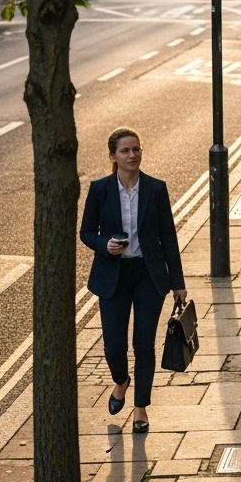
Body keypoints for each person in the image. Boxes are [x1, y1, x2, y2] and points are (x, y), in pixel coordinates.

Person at [80, 127, 186, 435]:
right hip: (113, 275)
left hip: (148, 276)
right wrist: (105, 246)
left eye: (136, 149)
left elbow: (168, 236)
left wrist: (177, 281)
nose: (132, 155)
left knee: (144, 345)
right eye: (125, 151)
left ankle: (140, 408)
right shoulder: (100, 189)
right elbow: (86, 231)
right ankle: (121, 381)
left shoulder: (155, 188)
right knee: (114, 346)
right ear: (113, 157)